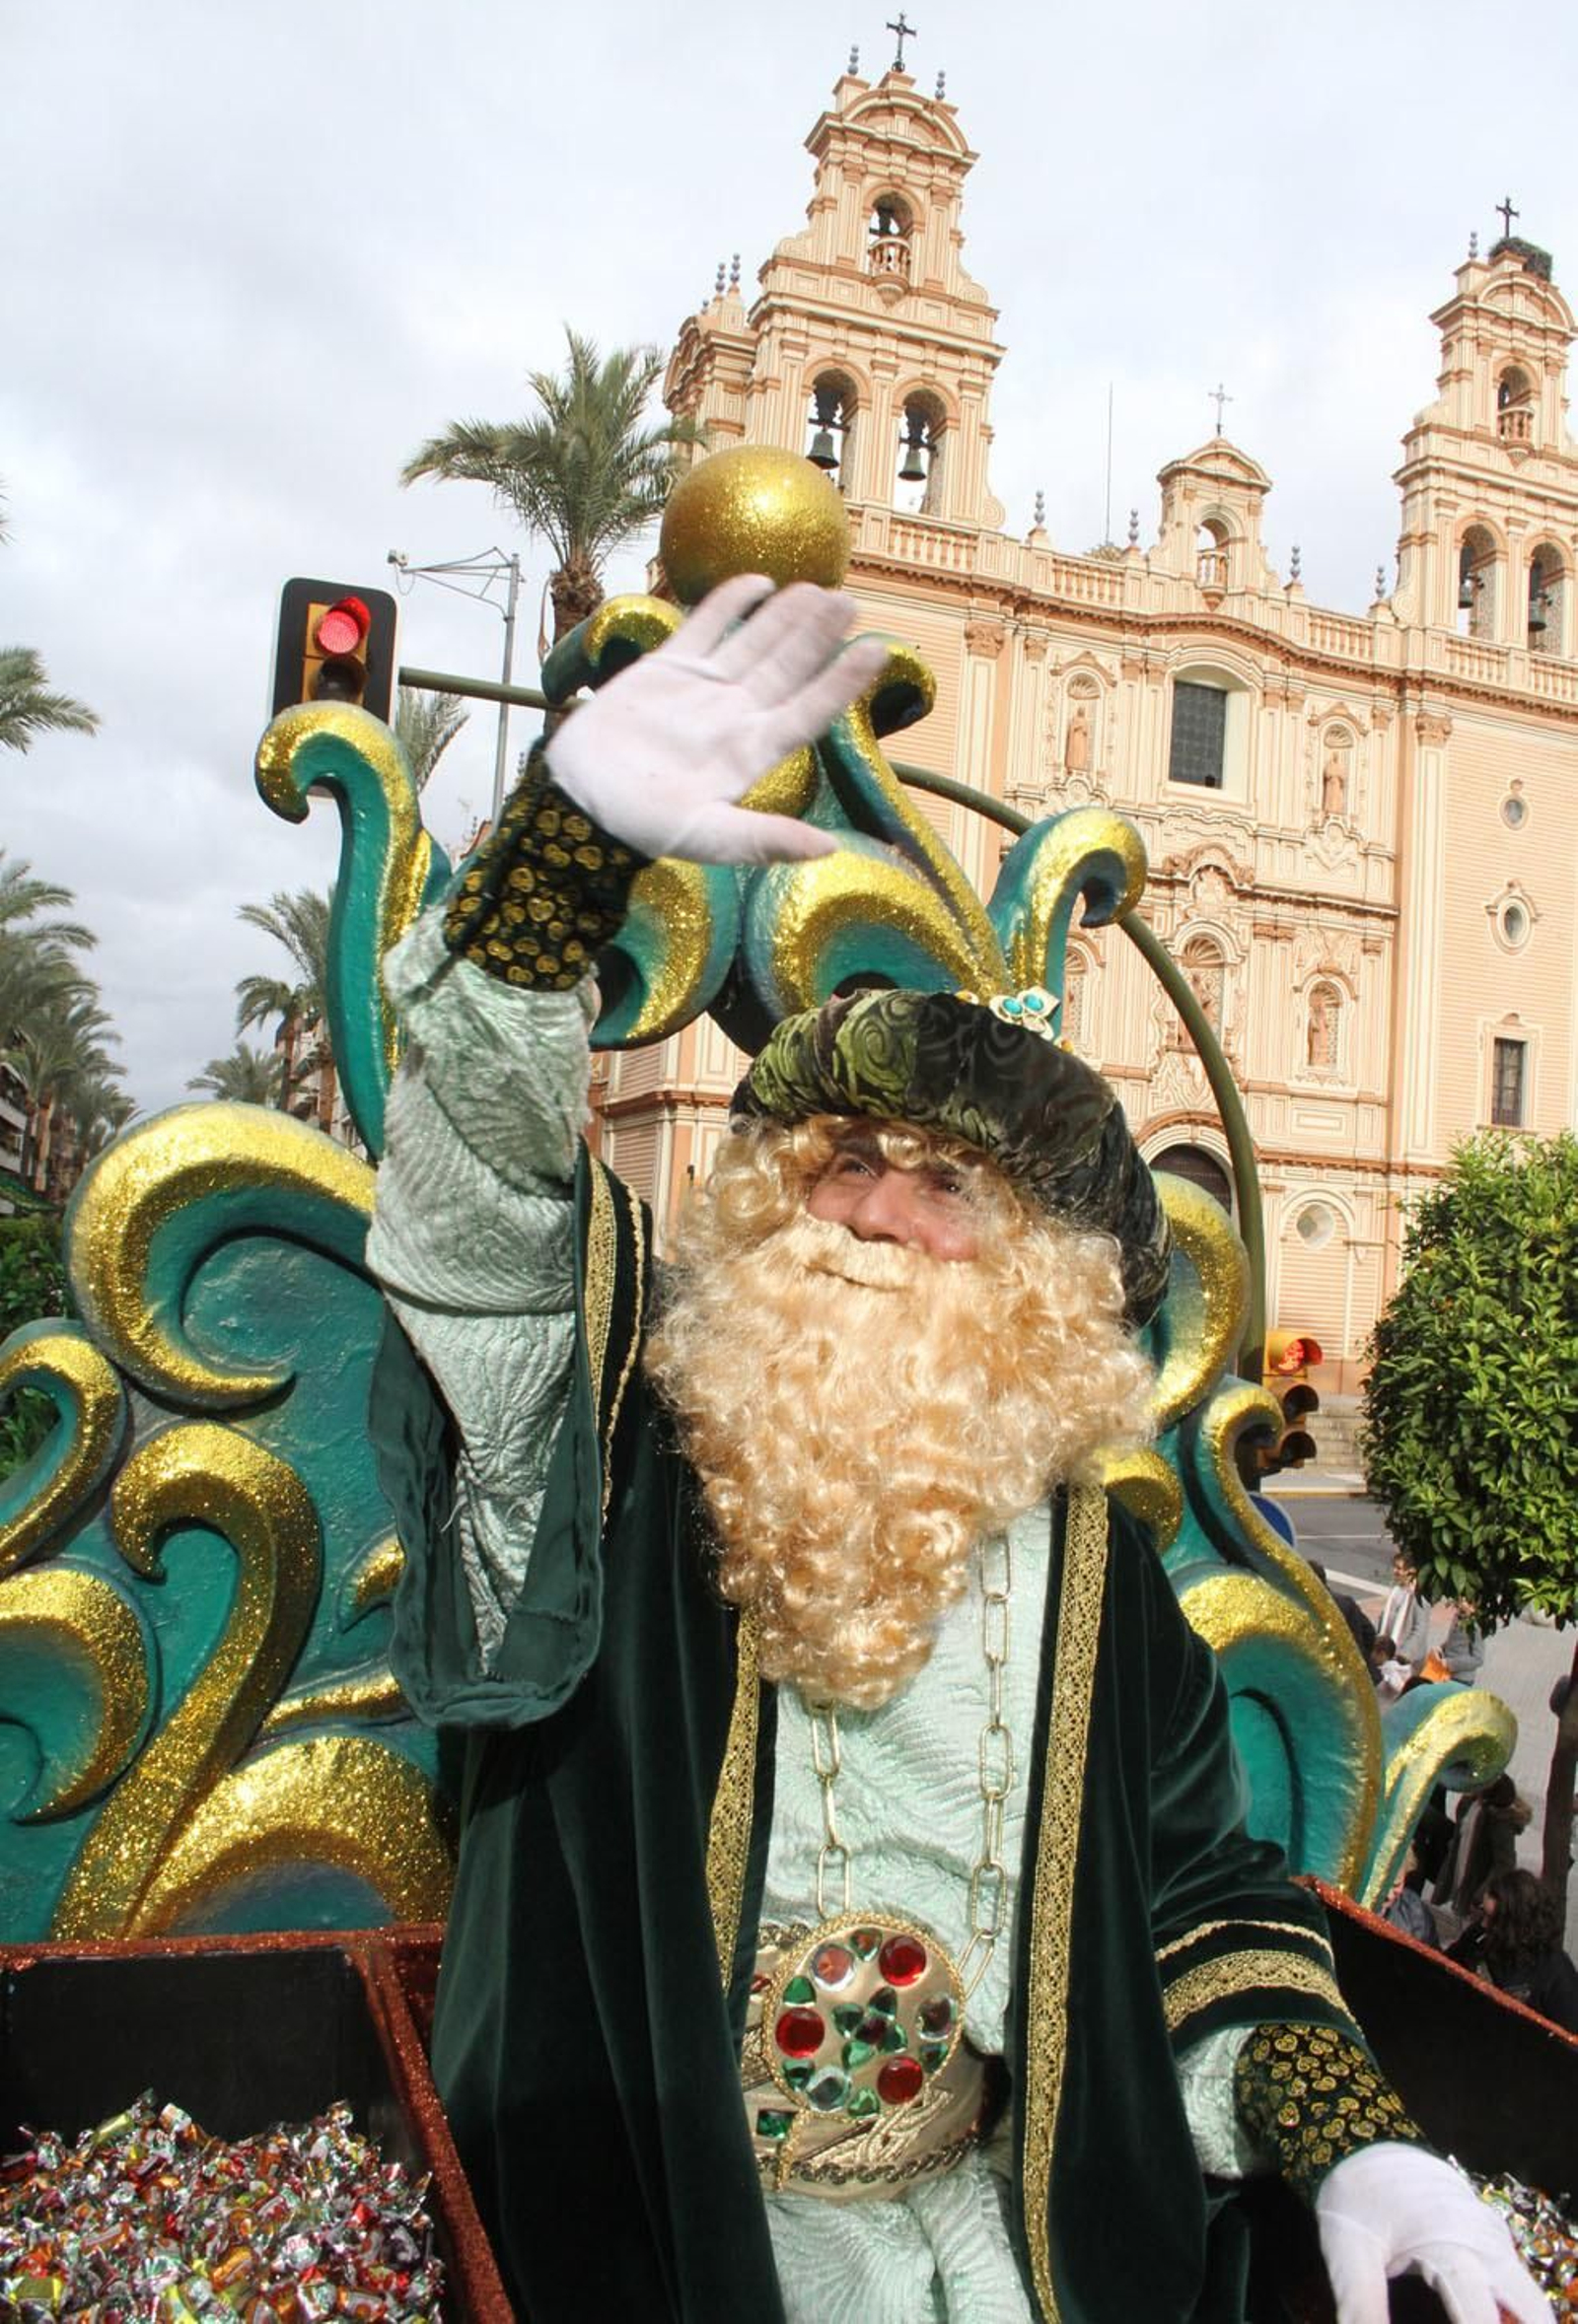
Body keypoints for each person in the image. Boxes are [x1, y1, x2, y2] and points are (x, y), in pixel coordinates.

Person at [366, 578, 1546, 2324]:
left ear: (1040, 1284)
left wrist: (1353, 2134)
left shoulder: (1098, 1579)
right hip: (654, 2219)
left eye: (946, 1186)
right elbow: (476, 1190)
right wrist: (561, 856)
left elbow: (1198, 1899)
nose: (873, 1214)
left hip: (989, 2240)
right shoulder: (608, 1440)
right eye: (841, 1161)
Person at [1446, 1869, 1578, 2035]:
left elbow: (1570, 2036)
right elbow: (1443, 1972)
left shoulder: (1555, 1969)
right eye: (1483, 1914)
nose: (1484, 1925)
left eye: (1493, 1920)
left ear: (1516, 1924)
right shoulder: (1477, 1938)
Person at [1435, 1774, 1532, 1922]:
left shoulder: (1500, 1820)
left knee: (1465, 1922)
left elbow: (1505, 1864)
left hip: (1475, 1891)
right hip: (1461, 1880)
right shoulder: (1471, 1804)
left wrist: (1482, 1895)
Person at [1376, 1551, 1431, 1671]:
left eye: (1399, 1568)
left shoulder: (1419, 1596)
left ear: (1411, 1571)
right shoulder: (1396, 1591)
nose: (1394, 1571)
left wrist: (1403, 1655)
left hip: (1407, 1661)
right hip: (1388, 1655)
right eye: (1394, 1567)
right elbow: (1384, 1619)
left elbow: (1420, 1630)